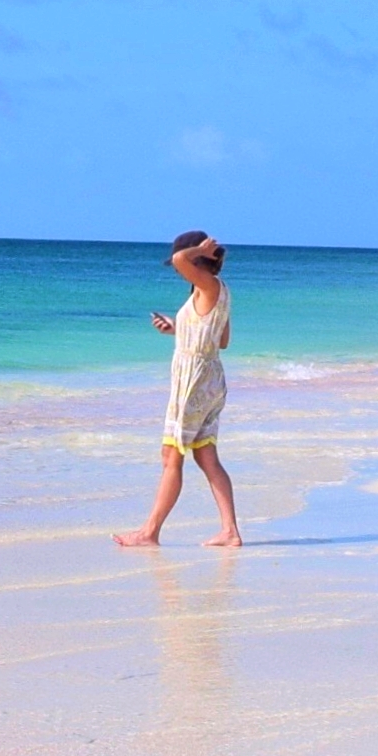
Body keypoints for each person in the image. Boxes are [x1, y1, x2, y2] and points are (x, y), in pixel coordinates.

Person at [115, 229, 240, 549]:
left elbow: (178, 259)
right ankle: (229, 531)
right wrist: (177, 329)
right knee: (207, 456)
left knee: (171, 455)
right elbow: (221, 341)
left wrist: (197, 250)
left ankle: (149, 532)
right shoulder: (216, 290)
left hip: (194, 382)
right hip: (210, 378)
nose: (175, 269)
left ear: (197, 258)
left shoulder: (208, 286)